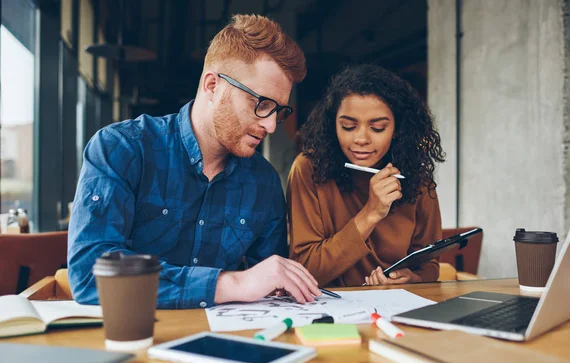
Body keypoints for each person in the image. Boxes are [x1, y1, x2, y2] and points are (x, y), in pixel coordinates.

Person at [68, 15, 321, 309]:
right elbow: (90, 274)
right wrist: (231, 283)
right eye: (261, 104)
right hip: (132, 338)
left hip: (223, 345)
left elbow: (269, 284)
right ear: (212, 85)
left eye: (279, 111)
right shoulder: (121, 148)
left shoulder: (263, 181)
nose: (271, 126)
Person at [287, 64, 445, 287]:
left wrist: (414, 278)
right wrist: (371, 213)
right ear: (333, 125)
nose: (361, 139)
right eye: (348, 126)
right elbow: (306, 270)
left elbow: (429, 263)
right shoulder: (309, 169)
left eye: (378, 128)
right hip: (329, 308)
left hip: (396, 307)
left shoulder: (417, 178)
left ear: (397, 128)